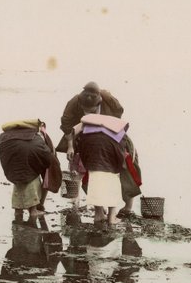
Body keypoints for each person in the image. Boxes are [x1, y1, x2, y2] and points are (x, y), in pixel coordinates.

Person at [57, 82, 140, 217]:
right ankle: (93, 206)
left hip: (111, 134)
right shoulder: (74, 101)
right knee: (83, 168)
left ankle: (128, 205)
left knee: (128, 166)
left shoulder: (108, 99)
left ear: (99, 103)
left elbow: (119, 113)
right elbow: (66, 125)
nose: (87, 112)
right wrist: (71, 146)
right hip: (83, 136)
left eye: (90, 110)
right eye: (84, 109)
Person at [0, 119, 61, 225]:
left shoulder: (7, 136)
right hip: (30, 157)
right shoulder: (38, 136)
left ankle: (18, 211)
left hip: (14, 160)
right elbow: (47, 155)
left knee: (18, 183)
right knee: (33, 180)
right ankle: (33, 210)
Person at [73, 114, 130, 225]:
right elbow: (120, 154)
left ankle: (99, 214)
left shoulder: (87, 132)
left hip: (93, 164)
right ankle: (111, 218)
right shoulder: (119, 134)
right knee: (113, 189)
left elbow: (82, 151)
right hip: (110, 167)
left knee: (95, 187)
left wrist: (88, 164)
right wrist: (118, 167)